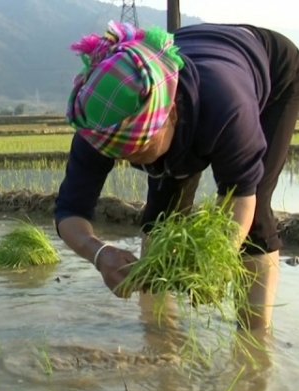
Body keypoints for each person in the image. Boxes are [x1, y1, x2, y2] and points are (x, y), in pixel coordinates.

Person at [54, 21, 299, 332]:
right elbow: (69, 212)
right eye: (121, 155)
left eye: (142, 151)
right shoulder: (101, 123)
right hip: (195, 70)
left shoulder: (227, 108)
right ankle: (160, 335)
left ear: (170, 113)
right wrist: (99, 254)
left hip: (273, 71)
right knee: (161, 216)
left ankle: (254, 338)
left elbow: (240, 194)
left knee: (256, 218)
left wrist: (217, 261)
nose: (132, 162)